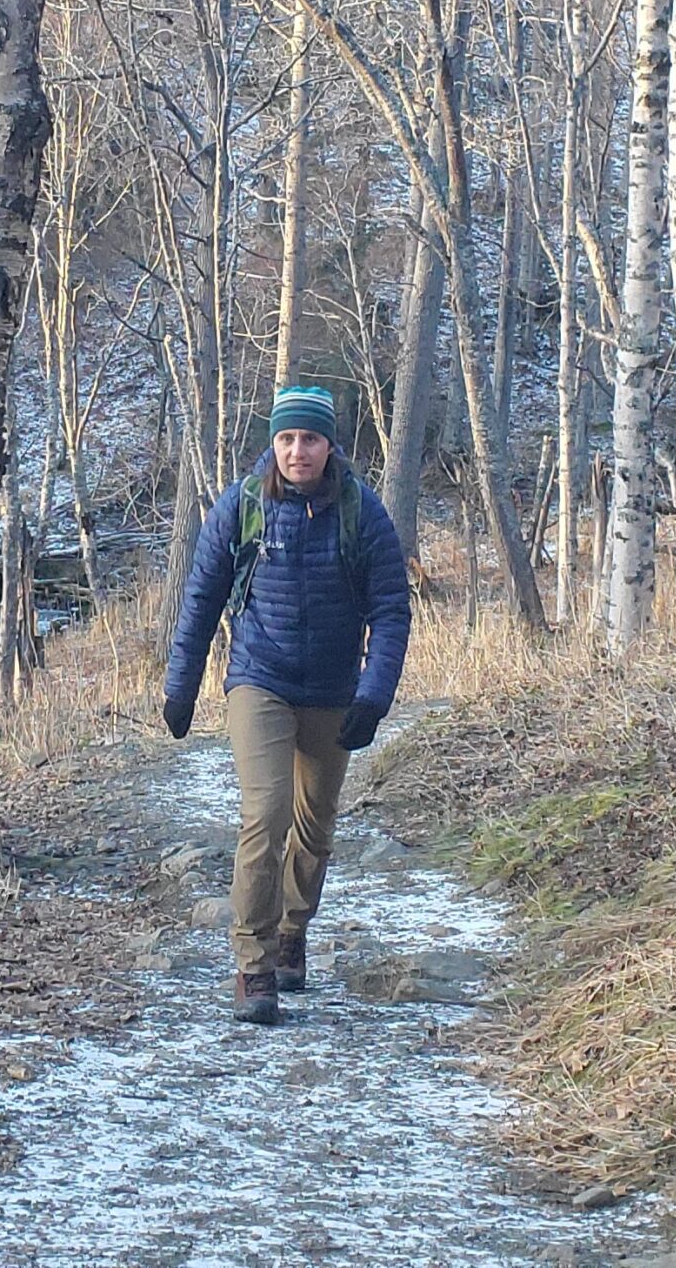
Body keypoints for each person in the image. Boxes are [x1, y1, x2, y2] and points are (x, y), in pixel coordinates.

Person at [160, 385, 413, 1025]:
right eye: (286, 438)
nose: (297, 450)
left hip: (332, 687)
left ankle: (293, 931)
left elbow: (390, 611)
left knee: (315, 824)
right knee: (265, 814)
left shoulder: (363, 512)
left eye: (310, 438)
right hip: (259, 679)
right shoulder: (243, 505)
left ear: (330, 445)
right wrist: (181, 685)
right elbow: (202, 598)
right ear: (273, 444)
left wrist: (373, 695)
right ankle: (253, 966)